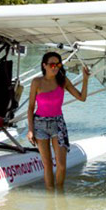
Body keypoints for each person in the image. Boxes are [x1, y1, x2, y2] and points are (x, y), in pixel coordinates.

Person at [27, 52, 90, 190]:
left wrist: (85, 79)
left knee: (61, 165)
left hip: (58, 124)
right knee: (47, 164)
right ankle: (50, 196)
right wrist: (30, 130)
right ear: (44, 65)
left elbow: (82, 97)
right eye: (52, 65)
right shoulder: (36, 82)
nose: (55, 67)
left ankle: (60, 194)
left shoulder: (63, 81)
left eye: (58, 64)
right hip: (40, 125)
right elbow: (30, 108)